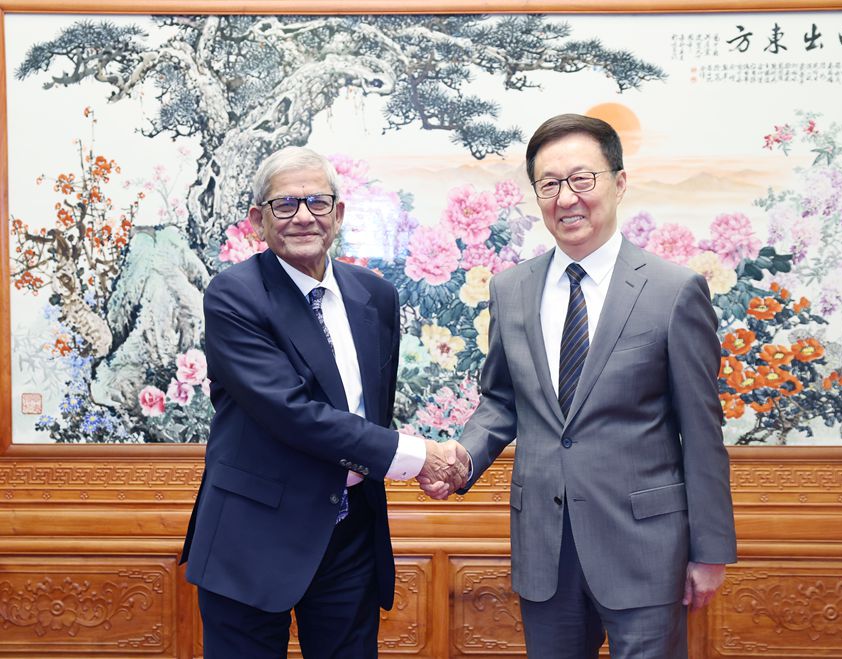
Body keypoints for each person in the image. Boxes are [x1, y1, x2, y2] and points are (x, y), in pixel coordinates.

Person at [420, 114, 737, 658]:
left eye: (582, 179)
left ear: (618, 182)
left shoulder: (673, 290)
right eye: (549, 184)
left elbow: (702, 430)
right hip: (545, 546)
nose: (566, 198)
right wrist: (464, 458)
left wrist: (710, 551)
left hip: (646, 548)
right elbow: (501, 399)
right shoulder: (510, 289)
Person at [180, 146, 464, 658]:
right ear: (257, 220)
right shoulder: (234, 296)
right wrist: (421, 457)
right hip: (253, 533)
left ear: (339, 213)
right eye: (285, 204)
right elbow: (293, 414)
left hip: (349, 532)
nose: (304, 216)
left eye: (317, 201)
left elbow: (367, 409)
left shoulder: (375, 296)